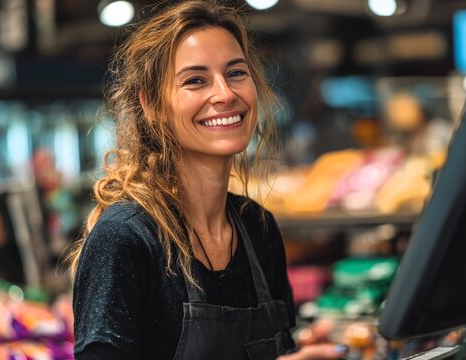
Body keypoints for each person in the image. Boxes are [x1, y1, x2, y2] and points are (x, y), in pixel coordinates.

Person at [69, 2, 347, 359]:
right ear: (152, 105)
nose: (226, 94)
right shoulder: (126, 239)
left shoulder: (257, 228)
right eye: (195, 80)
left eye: (236, 73)